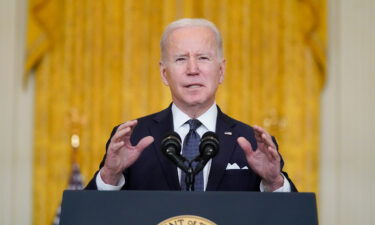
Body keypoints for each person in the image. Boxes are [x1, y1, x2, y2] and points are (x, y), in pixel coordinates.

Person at [85, 18, 297, 192]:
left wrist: (273, 182)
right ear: (164, 73)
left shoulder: (253, 142)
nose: (192, 69)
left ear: (221, 71)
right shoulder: (133, 138)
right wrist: (110, 175)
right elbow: (87, 216)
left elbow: (292, 217)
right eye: (180, 59)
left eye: (203, 58)